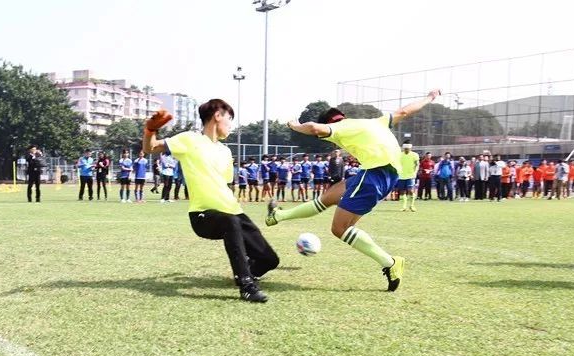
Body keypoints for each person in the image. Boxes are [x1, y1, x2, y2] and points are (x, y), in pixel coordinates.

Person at [267, 89, 442, 292]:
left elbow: (314, 128)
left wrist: (294, 125)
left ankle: (389, 262)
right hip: (382, 174)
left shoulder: (339, 128)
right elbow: (404, 112)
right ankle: (278, 216)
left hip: (374, 174)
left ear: (329, 124)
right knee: (328, 197)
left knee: (339, 228)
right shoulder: (374, 122)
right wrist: (429, 98)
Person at [142, 100, 279, 302]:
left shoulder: (226, 151)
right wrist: (150, 130)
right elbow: (150, 147)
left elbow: (224, 183)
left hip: (234, 212)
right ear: (217, 115)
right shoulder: (189, 139)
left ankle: (246, 269)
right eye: (229, 119)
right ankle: (246, 286)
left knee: (270, 260)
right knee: (229, 222)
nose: (231, 125)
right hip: (203, 215)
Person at [397, 141, 419, 211]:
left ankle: (412, 206)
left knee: (410, 191)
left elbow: (417, 164)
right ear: (403, 148)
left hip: (411, 176)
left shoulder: (415, 155)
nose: (406, 150)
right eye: (405, 148)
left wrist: (415, 172)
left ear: (410, 148)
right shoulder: (399, 155)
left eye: (407, 149)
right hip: (401, 176)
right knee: (402, 192)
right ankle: (404, 206)